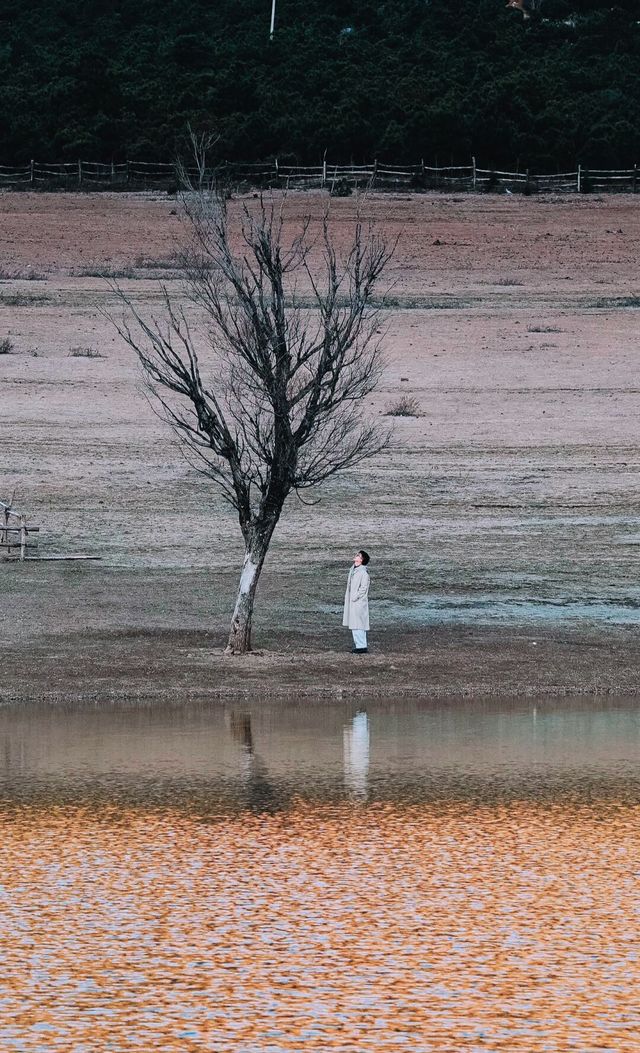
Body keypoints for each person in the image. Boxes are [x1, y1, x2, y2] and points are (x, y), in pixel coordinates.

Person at [343, 550, 370, 653]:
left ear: (362, 560)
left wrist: (355, 597)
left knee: (358, 624)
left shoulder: (363, 573)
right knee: (355, 624)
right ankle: (360, 645)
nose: (356, 556)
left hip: (358, 602)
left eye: (358, 555)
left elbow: (363, 588)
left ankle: (361, 646)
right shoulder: (354, 570)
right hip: (354, 601)